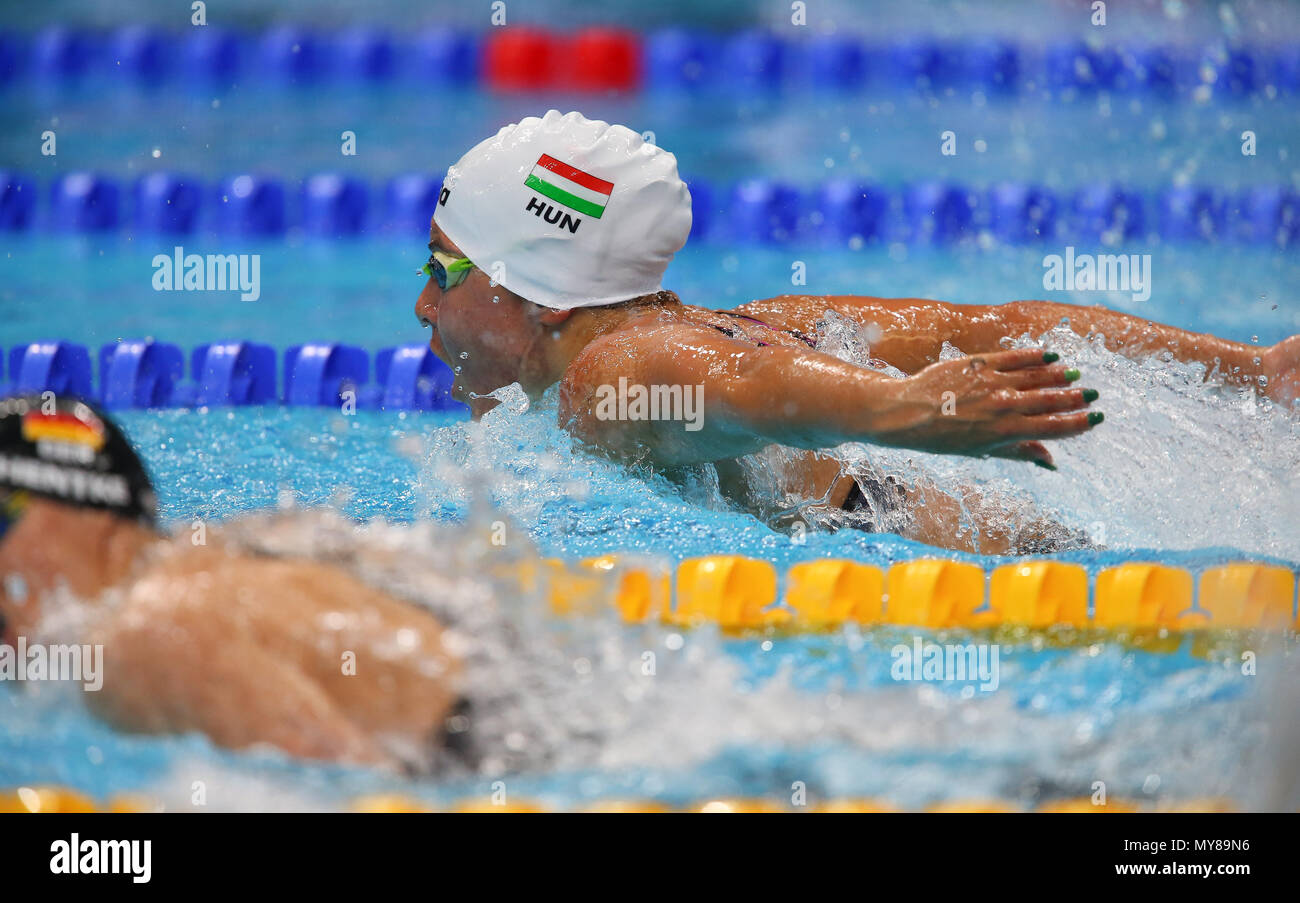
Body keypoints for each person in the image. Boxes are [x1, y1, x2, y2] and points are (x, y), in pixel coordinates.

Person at [415, 110, 1300, 553]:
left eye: (441, 271)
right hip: (948, 523)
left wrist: (901, 410)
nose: (422, 306)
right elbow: (1006, 324)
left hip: (923, 551)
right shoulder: (765, 321)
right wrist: (1252, 370)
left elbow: (739, 391)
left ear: (542, 290)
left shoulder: (603, 377)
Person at [0, 395, 461, 768]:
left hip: (489, 743)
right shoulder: (209, 557)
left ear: (80, 513)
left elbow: (363, 791)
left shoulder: (146, 635)